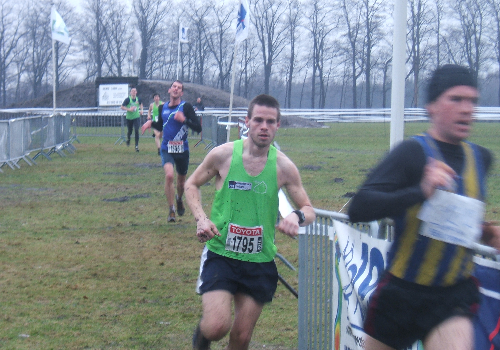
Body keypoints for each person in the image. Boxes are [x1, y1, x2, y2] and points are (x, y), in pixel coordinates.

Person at [347, 64, 500, 350]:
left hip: (452, 296)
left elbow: (455, 220)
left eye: (472, 101)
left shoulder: (482, 159)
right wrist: (420, 191)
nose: (467, 109)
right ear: (431, 106)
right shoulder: (411, 154)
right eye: (456, 99)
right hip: (401, 294)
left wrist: (487, 234)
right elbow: (358, 208)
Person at [184, 94, 316, 350]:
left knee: (241, 337)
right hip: (221, 254)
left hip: (259, 261)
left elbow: (309, 209)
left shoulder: (284, 167)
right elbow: (191, 183)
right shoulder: (223, 155)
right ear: (246, 122)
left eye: (270, 121)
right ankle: (202, 336)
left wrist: (295, 216)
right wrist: (201, 219)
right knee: (216, 326)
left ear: (278, 125)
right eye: (258, 120)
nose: (264, 127)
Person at [158, 80, 201, 223]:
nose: (176, 89)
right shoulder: (162, 107)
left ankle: (179, 198)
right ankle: (171, 210)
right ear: (169, 90)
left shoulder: (186, 107)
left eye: (179, 88)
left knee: (181, 182)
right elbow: (159, 124)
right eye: (174, 87)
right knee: (169, 175)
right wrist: (150, 124)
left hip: (182, 149)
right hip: (167, 148)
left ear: (181, 93)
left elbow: (198, 128)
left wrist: (184, 120)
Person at [121, 87, 143, 152]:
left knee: (136, 130)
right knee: (130, 131)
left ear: (136, 92)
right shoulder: (128, 99)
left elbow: (141, 104)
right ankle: (128, 139)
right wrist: (129, 109)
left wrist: (141, 110)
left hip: (136, 117)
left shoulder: (138, 99)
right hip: (129, 118)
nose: (133, 92)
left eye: (135, 91)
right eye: (132, 91)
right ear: (130, 92)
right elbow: (122, 107)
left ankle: (136, 146)